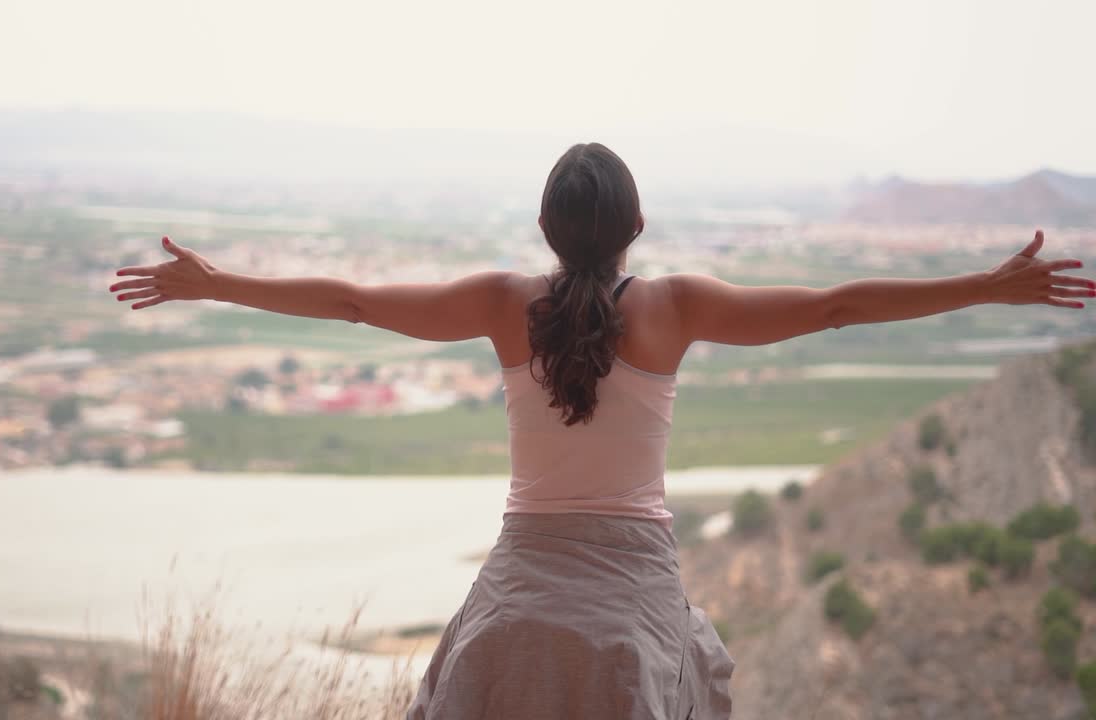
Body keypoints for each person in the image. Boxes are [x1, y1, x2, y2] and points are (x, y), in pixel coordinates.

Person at [109, 142, 1092, 719]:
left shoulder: (502, 303)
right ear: (636, 221)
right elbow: (836, 305)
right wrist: (988, 286)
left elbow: (356, 302)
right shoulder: (673, 305)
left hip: (521, 576)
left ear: (546, 228)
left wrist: (216, 282)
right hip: (631, 580)